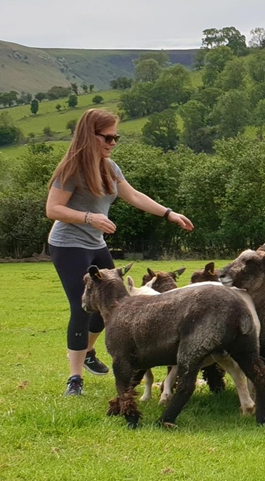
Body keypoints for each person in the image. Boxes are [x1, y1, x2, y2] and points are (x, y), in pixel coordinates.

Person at [45, 109, 193, 396]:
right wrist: (89, 217)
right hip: (68, 244)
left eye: (116, 137)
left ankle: (87, 351)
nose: (113, 143)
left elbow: (133, 195)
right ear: (90, 136)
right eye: (108, 137)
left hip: (96, 243)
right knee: (82, 306)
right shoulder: (71, 169)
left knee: (114, 305)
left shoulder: (110, 167)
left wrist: (168, 213)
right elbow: (53, 209)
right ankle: (74, 379)